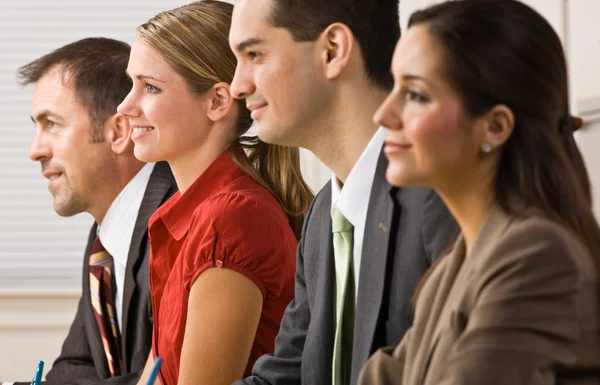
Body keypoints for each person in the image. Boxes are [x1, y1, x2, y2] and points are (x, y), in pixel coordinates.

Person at [358, 0, 600, 384]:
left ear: (494, 126)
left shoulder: (536, 255)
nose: (384, 114)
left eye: (416, 94)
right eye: (394, 86)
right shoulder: (452, 267)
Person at [228, 0, 457, 384]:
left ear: (333, 50)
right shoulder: (323, 216)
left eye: (254, 54)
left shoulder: (441, 195)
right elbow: (284, 377)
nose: (237, 85)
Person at [116, 2, 314, 385]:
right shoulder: (186, 214)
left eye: (151, 87)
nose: (125, 106)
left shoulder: (230, 217)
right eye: (131, 84)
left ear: (218, 102)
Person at [8, 38, 177, 385]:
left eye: (51, 124)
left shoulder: (178, 221)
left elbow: (168, 378)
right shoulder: (105, 236)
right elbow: (75, 368)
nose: (35, 150)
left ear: (118, 131)